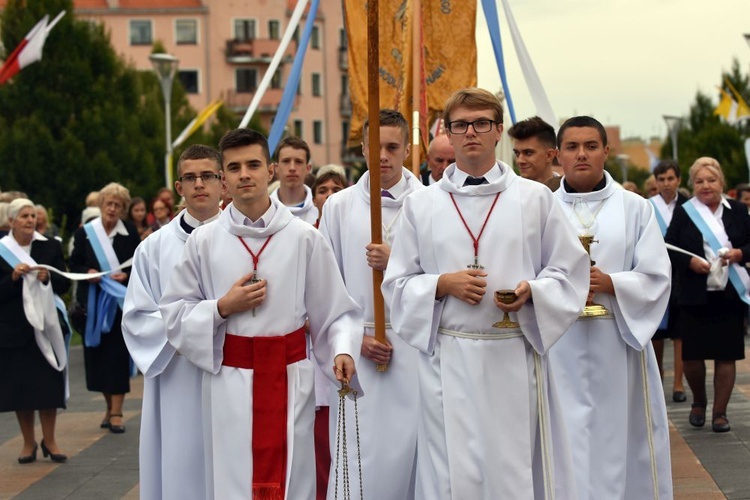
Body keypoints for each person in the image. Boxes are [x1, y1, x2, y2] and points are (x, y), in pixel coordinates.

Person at [382, 88, 590, 499]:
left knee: (510, 467)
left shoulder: (534, 199)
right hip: (448, 357)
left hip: (512, 352)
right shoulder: (421, 205)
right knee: (451, 472)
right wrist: (442, 284)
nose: (470, 132)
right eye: (460, 125)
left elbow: (569, 272)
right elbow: (397, 283)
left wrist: (534, 290)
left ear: (498, 132)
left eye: (481, 123)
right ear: (449, 134)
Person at [160, 128, 363, 500]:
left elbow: (335, 311)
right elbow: (174, 313)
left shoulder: (304, 238)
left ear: (269, 171)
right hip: (229, 381)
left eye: (253, 164)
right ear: (224, 178)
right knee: (233, 477)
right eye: (234, 168)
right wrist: (222, 308)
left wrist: (343, 350)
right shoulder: (204, 241)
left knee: (293, 477)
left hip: (290, 378)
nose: (244, 175)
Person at [550, 116, 673, 499]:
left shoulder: (635, 208)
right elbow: (527, 272)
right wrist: (561, 290)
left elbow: (656, 275)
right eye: (572, 147)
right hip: (560, 346)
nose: (581, 154)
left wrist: (612, 284)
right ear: (558, 156)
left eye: (590, 146)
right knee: (563, 438)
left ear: (606, 151)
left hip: (618, 343)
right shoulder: (540, 207)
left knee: (619, 438)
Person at [320, 109, 424, 499]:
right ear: (362, 147)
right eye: (375, 147)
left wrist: (394, 259)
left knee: (412, 449)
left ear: (408, 149)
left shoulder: (428, 203)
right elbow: (326, 285)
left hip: (412, 344)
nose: (383, 156)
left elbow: (438, 273)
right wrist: (352, 338)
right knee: (357, 453)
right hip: (358, 347)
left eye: (393, 147)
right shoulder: (339, 206)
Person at [122, 145, 222, 499]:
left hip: (231, 369)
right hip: (176, 372)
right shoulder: (153, 248)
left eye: (208, 175)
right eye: (190, 177)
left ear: (222, 182)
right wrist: (188, 333)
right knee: (180, 464)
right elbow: (136, 316)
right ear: (178, 186)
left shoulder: (244, 240)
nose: (200, 184)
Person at [665, 157, 750, 433]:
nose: (706, 186)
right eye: (699, 181)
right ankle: (699, 403)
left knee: (726, 355)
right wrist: (689, 263)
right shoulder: (685, 212)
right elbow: (669, 247)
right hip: (694, 293)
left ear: (721, 182)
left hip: (729, 293)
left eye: (711, 180)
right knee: (692, 356)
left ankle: (720, 413)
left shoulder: (737, 210)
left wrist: (739, 254)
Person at [0, 198, 70, 464]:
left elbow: (64, 283)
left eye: (32, 215)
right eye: (24, 216)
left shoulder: (49, 246)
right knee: (21, 389)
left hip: (46, 326)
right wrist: (13, 278)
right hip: (13, 329)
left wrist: (48, 277)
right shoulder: (1, 250)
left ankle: (50, 440)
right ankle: (28, 443)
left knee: (47, 386)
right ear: (12, 221)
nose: (30, 220)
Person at [70, 182, 140, 434]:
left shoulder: (129, 232)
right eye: (109, 204)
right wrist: (86, 273)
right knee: (98, 356)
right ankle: (109, 407)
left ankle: (118, 412)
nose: (112, 209)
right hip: (94, 303)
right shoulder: (85, 233)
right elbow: (74, 265)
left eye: (117, 205)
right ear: (101, 205)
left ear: (123, 209)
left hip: (119, 304)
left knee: (117, 355)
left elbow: (139, 265)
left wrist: (126, 276)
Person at [650, 160, 689, 402]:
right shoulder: (646, 206)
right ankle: (658, 379)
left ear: (678, 180)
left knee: (679, 332)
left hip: (682, 275)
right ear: (656, 181)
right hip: (655, 273)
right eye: (661, 179)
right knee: (655, 332)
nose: (666, 183)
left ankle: (678, 384)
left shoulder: (688, 207)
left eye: (670, 178)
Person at [270, 136, 318, 224]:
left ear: (308, 168)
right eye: (286, 161)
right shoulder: (264, 210)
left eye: (298, 162)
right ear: (276, 168)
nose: (292, 168)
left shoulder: (320, 209)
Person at [507, 115, 558, 185]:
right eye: (517, 153)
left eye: (528, 153)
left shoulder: (572, 191)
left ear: (549, 155)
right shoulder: (506, 192)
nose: (520, 160)